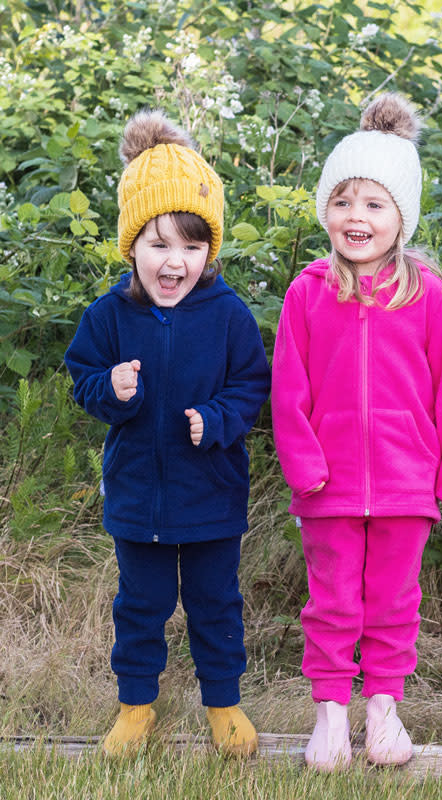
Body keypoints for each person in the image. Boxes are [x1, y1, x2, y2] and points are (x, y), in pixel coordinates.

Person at [271, 93, 442, 771]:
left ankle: (383, 710)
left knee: (393, 603)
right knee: (331, 603)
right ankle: (330, 714)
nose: (356, 216)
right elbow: (288, 390)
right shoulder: (308, 292)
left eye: (373, 204)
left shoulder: (428, 294)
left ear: (401, 217)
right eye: (343, 201)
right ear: (326, 210)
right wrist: (304, 466)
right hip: (327, 485)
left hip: (405, 482)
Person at [65, 109, 271, 757]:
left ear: (209, 251)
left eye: (191, 245)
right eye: (158, 245)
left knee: (215, 605)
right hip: (138, 500)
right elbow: (83, 378)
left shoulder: (229, 315)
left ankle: (224, 706)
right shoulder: (109, 316)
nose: (175, 261)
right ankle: (136, 708)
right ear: (132, 247)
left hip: (211, 498)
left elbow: (251, 386)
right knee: (140, 606)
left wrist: (217, 418)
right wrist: (111, 389)